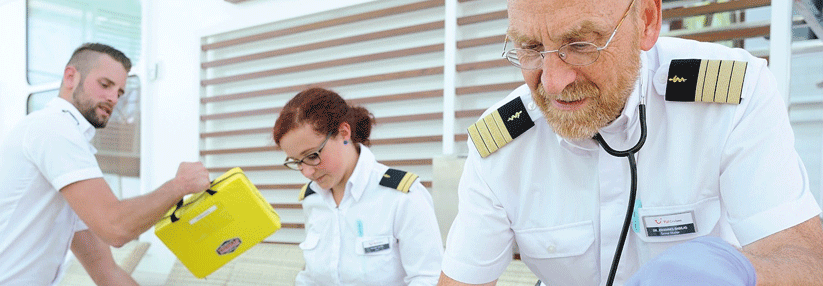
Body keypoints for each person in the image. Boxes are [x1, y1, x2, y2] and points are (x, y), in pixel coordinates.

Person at [438, 0, 823, 285]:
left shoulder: (732, 97)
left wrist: (741, 274)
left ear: (647, 21)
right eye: (531, 49)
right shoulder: (502, 144)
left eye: (582, 44)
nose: (553, 82)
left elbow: (804, 259)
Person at [0, 43, 211, 285]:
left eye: (120, 92)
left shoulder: (68, 150)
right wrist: (179, 185)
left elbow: (107, 273)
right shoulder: (53, 129)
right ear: (71, 77)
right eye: (105, 84)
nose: (113, 98)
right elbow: (115, 227)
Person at [272, 87, 443, 285]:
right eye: (296, 161)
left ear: (344, 132)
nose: (307, 172)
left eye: (312, 156)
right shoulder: (312, 199)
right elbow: (311, 277)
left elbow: (428, 278)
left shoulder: (402, 197)